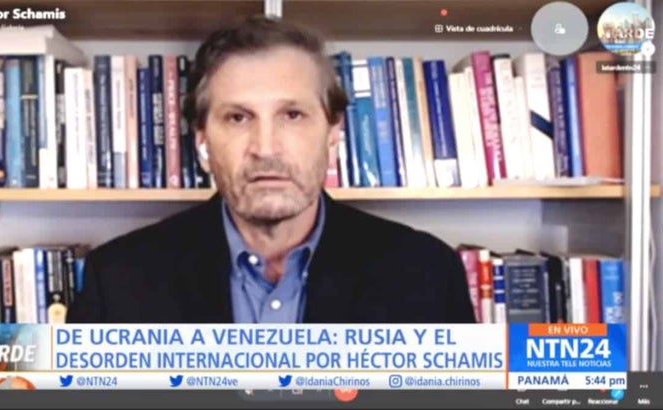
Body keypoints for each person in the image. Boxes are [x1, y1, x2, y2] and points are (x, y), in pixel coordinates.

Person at [66, 15, 475, 324]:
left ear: (333, 136)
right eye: (238, 118)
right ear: (202, 142)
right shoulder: (117, 279)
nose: (265, 148)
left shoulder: (427, 272)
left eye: (292, 115)